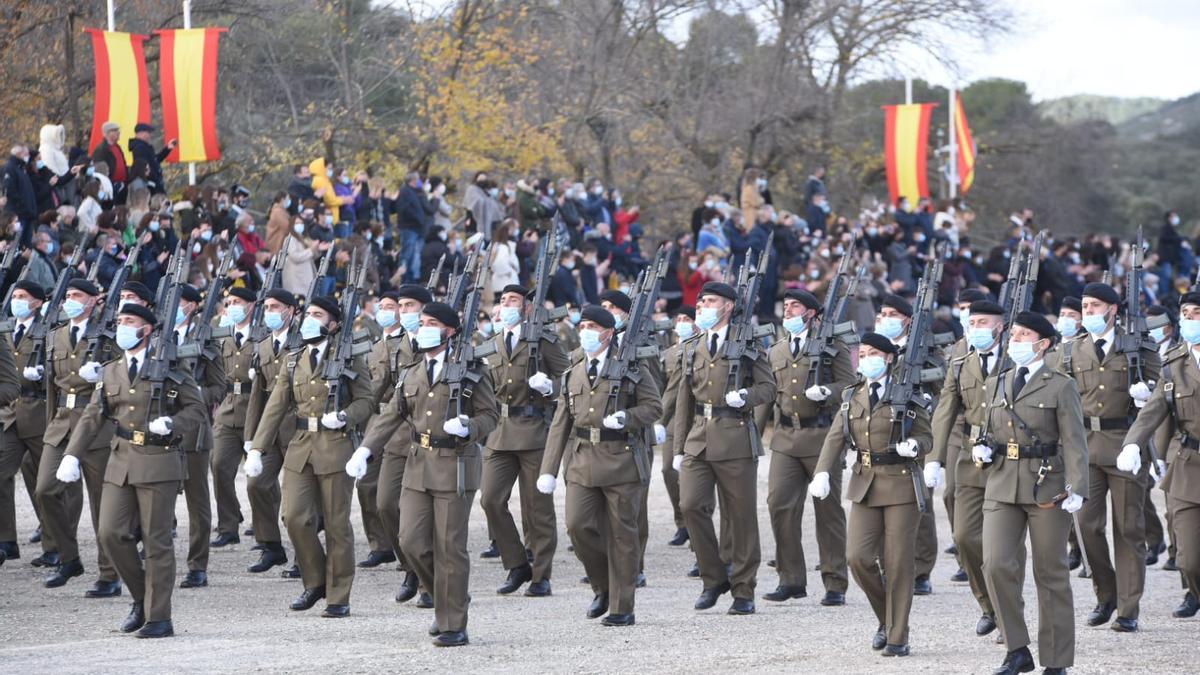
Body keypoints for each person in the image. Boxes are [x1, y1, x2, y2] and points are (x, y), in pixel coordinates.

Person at [348, 302, 498, 646]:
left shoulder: (472, 370)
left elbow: (490, 415)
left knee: (449, 546)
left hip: (454, 465)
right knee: (410, 541)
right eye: (423, 322)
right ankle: (447, 598)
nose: (423, 327)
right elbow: (391, 414)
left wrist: (468, 427)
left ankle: (452, 622)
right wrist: (366, 448)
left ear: (449, 330)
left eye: (432, 323)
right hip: (417, 463)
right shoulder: (412, 371)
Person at [56, 303, 207, 638]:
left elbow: (196, 409)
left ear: (147, 328)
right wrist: (72, 454)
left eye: (130, 321)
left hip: (159, 460)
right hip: (121, 460)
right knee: (110, 533)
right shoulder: (112, 370)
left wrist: (174, 423)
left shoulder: (171, 366)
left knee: (156, 543)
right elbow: (94, 415)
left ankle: (159, 618)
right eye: (121, 321)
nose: (123, 326)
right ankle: (142, 597)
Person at [975, 311, 1087, 675]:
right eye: (1015, 334)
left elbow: (1074, 441)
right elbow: (989, 428)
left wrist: (1078, 487)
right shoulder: (999, 380)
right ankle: (1016, 648)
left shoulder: (1060, 384)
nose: (1016, 340)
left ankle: (1055, 660)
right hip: (1003, 481)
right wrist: (983, 448)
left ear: (1043, 343)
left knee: (1050, 572)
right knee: (994, 564)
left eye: (1025, 335)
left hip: (1048, 485)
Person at [809, 332, 932, 657]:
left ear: (890, 358)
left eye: (874, 353)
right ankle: (886, 619)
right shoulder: (853, 395)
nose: (867, 359)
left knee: (897, 562)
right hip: (865, 482)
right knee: (858, 558)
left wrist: (916, 446)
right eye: (862, 353)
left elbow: (927, 437)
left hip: (902, 484)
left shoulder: (908, 395)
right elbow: (836, 436)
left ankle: (897, 635)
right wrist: (822, 470)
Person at [537, 305, 661, 626]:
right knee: (577, 526)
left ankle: (622, 605)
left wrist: (629, 418)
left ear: (608, 332)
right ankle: (603, 586)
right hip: (581, 460)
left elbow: (653, 406)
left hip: (621, 459)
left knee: (622, 534)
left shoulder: (632, 367)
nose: (586, 331)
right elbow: (560, 422)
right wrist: (548, 469)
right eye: (584, 325)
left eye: (593, 326)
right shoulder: (574, 369)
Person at [251, 295, 374, 617]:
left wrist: (346, 416)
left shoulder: (349, 358)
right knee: (294, 517)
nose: (309, 320)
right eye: (308, 314)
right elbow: (275, 406)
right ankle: (315, 580)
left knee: (336, 525)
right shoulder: (293, 360)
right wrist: (257, 448)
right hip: (301, 445)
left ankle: (338, 596)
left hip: (336, 446)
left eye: (317, 315)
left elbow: (367, 400)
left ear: (332, 324)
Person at [673, 281, 775, 616]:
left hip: (735, 437)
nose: (702, 306)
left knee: (740, 517)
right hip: (699, 439)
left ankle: (744, 589)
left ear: (728, 306)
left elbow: (768, 388)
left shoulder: (747, 343)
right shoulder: (693, 346)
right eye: (701, 301)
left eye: (710, 301)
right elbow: (684, 399)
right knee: (690, 505)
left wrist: (745, 396)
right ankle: (713, 577)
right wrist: (678, 446)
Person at [1065, 282, 1160, 632]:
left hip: (1125, 445)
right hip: (1086, 446)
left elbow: (1160, 400)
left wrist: (1145, 395)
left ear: (1112, 310)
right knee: (1086, 526)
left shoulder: (1140, 348)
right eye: (1085, 306)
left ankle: (1128, 608)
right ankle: (1106, 594)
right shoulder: (1073, 350)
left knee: (1129, 528)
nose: (1088, 311)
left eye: (1094, 306)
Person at [481, 285, 571, 597]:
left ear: (528, 308)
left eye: (513, 300)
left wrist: (550, 387)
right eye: (502, 299)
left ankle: (541, 575)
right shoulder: (491, 343)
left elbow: (573, 379)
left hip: (534, 430)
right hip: (499, 431)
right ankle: (517, 563)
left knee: (537, 508)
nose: (506, 305)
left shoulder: (543, 342)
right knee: (490, 499)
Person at [765, 289, 853, 605]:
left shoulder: (834, 348)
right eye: (785, 305)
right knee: (779, 505)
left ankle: (835, 582)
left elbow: (850, 386)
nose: (788, 310)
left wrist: (827, 391)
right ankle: (791, 579)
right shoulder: (776, 351)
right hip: (786, 438)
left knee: (827, 511)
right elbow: (768, 395)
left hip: (821, 438)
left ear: (811, 313)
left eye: (795, 306)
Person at [34, 279, 120, 595]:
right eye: (68, 295)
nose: (70, 300)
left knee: (102, 504)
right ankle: (68, 557)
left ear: (93, 300)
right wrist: (50, 427)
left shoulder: (109, 337)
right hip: (61, 425)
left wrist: (103, 376)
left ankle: (109, 575)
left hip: (96, 426)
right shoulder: (55, 335)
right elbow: (51, 389)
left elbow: (123, 381)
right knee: (45, 490)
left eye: (77, 295)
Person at [927, 298, 1002, 637]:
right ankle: (988, 604)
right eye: (972, 323)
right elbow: (946, 409)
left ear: (1000, 326)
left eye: (983, 323)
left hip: (1010, 459)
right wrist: (934, 458)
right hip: (970, 455)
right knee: (964, 536)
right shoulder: (961, 361)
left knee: (1002, 546)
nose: (976, 329)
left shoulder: (1018, 357)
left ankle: (1007, 613)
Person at [1124, 292, 1200, 621]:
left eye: (1198, 312)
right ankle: (1194, 590)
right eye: (1187, 313)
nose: (1192, 318)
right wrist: (1132, 444)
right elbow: (1155, 410)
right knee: (1188, 557)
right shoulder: (1174, 363)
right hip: (1188, 464)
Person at [358, 288, 426, 595]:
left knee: (428, 514)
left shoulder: (446, 344)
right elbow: (380, 392)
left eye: (410, 305)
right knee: (386, 504)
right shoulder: (396, 346)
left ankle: (427, 579)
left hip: (435, 439)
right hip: (398, 436)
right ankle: (410, 565)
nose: (403, 311)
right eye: (401, 306)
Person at [172, 284, 228, 589]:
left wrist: (195, 394)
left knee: (197, 501)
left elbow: (220, 386)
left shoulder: (206, 341)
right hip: (162, 426)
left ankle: (197, 565)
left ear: (193, 306)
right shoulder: (158, 336)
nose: (173, 305)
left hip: (194, 428)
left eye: (179, 301)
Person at [0, 280, 59, 568]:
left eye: (23, 297)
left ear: (37, 302)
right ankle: (6, 540)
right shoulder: (6, 328)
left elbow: (63, 368)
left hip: (39, 412)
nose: (17, 301)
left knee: (41, 484)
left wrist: (44, 373)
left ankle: (55, 544)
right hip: (10, 414)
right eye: (15, 296)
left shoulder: (48, 330)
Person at [242, 288, 301, 575]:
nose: (271, 312)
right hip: (270, 431)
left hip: (298, 432)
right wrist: (251, 438)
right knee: (257, 484)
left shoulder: (302, 343)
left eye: (276, 306)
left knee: (298, 500)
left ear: (291, 310)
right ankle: (271, 546)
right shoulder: (264, 346)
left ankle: (305, 557)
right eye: (267, 307)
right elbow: (258, 395)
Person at [209, 287, 257, 555]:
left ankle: (264, 528)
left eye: (237, 302)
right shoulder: (223, 336)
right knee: (219, 466)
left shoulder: (262, 336)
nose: (231, 307)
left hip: (254, 409)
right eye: (228, 302)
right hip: (228, 410)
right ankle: (228, 526)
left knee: (259, 475)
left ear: (251, 306)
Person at [127, 123, 175, 195]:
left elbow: (155, 160)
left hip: (154, 181)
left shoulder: (145, 147)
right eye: (148, 132)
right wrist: (153, 179)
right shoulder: (139, 148)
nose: (150, 135)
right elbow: (143, 166)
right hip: (150, 183)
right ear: (141, 133)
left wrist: (167, 149)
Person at [90, 122, 129, 204]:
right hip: (110, 187)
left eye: (118, 130)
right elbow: (99, 170)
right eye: (114, 130)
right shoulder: (101, 150)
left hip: (122, 186)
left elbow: (123, 164)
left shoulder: (117, 147)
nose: (118, 132)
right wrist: (111, 183)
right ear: (107, 133)